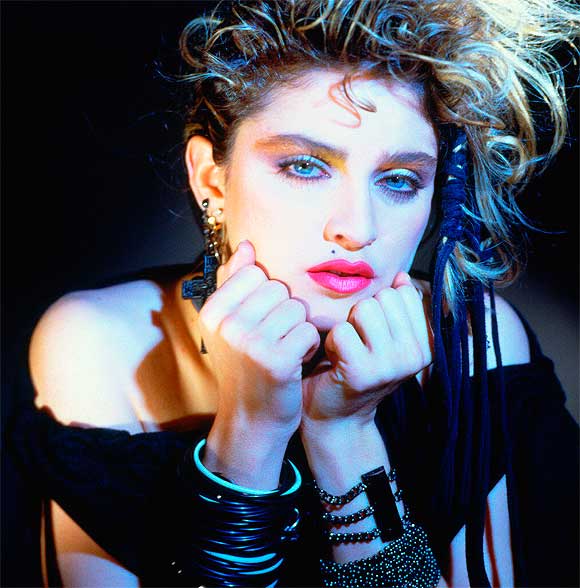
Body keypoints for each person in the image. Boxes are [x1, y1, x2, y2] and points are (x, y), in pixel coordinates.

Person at [6, 0, 579, 586]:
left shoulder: (471, 339)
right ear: (212, 179)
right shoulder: (103, 343)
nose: (356, 228)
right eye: (306, 167)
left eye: (399, 180)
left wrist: (344, 435)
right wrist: (251, 427)